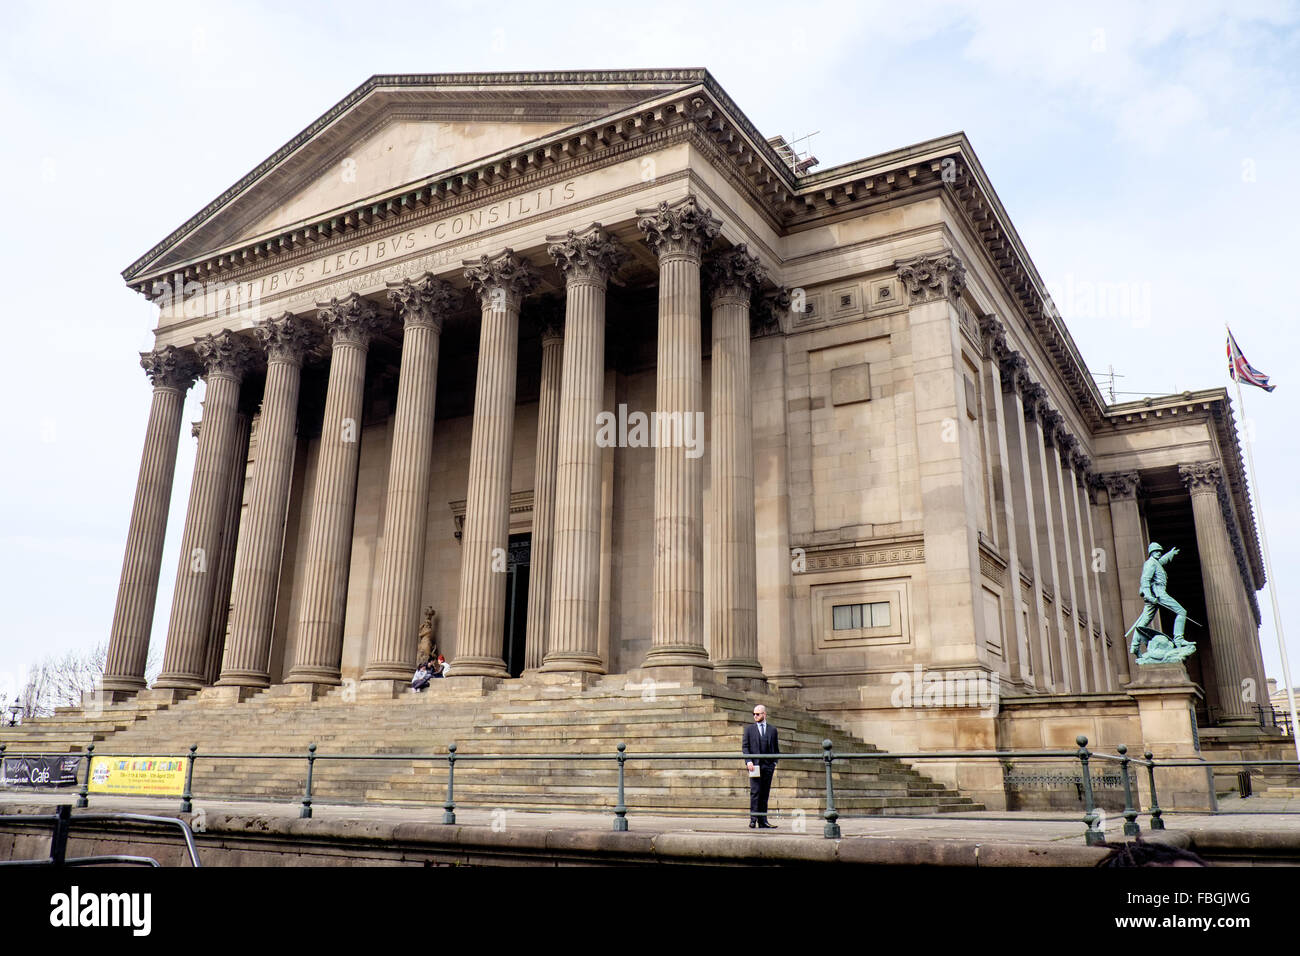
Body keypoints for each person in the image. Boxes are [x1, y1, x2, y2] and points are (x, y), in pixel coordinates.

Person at [1130, 542, 1189, 657]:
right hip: (1158, 595)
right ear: (1151, 552)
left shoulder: (1155, 562)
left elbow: (1161, 561)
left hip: (1155, 595)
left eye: (1159, 551)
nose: (1158, 553)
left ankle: (1135, 645)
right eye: (1156, 551)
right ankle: (1178, 639)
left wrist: (1170, 554)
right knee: (1182, 611)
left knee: (1143, 622)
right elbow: (1145, 580)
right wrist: (1148, 596)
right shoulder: (1150, 563)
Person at [742, 704, 780, 828]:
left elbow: (775, 748)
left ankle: (763, 821)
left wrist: (774, 763)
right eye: (753, 714)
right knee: (755, 792)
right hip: (754, 766)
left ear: (764, 714)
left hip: (768, 766)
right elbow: (745, 747)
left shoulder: (772, 730)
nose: (755, 716)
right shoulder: (749, 729)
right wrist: (749, 761)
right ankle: (753, 819)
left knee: (765, 793)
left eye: (757, 714)